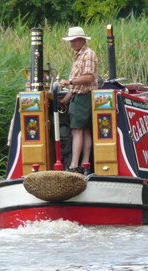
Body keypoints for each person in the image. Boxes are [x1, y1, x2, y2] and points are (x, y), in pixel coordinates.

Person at [59, 26, 98, 173]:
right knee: (85, 131)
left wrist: (68, 83)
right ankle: (85, 163)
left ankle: (74, 165)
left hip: (84, 97)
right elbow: (77, 86)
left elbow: (89, 77)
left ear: (82, 40)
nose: (72, 44)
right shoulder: (79, 55)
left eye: (74, 40)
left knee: (77, 131)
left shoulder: (88, 54)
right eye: (71, 41)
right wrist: (66, 99)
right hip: (80, 96)